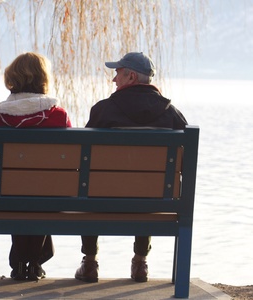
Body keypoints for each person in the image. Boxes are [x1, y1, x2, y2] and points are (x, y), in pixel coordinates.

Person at [75, 52, 188, 283]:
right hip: (155, 200)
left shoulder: (102, 111)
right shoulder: (172, 115)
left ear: (131, 76)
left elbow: (81, 160)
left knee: (91, 185)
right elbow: (185, 160)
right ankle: (140, 262)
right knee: (147, 187)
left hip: (101, 199)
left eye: (117, 73)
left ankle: (89, 261)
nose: (113, 79)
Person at [0, 52, 72, 280]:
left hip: (2, 197)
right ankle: (33, 262)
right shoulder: (58, 116)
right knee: (42, 190)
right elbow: (71, 162)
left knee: (17, 188)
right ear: (43, 78)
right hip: (51, 197)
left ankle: (23, 263)